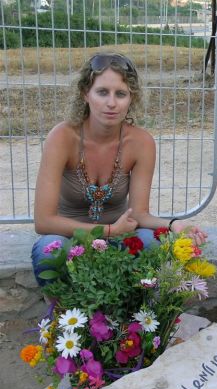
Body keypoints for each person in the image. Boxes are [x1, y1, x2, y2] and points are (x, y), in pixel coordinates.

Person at [32, 52, 207, 286]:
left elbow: (139, 214)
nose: (112, 103)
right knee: (48, 250)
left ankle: (137, 307)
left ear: (131, 98)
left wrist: (175, 224)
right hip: (70, 237)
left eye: (121, 94)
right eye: (102, 92)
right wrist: (108, 230)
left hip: (120, 237)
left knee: (151, 243)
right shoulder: (62, 137)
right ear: (85, 93)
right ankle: (59, 309)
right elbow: (43, 221)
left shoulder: (141, 142)